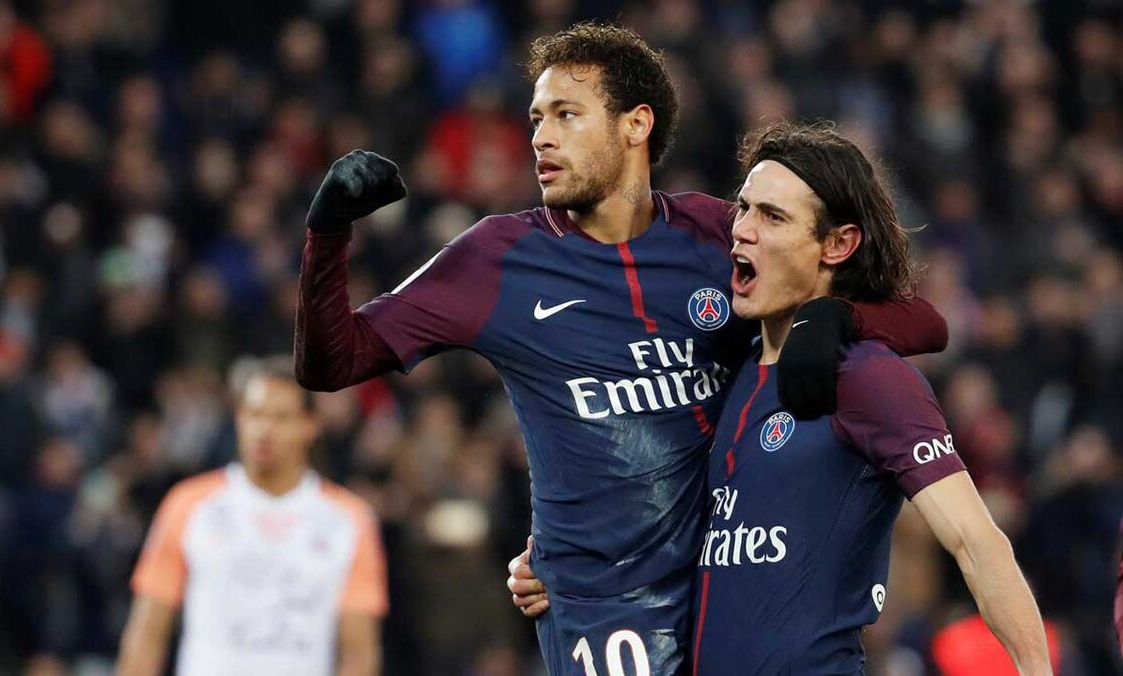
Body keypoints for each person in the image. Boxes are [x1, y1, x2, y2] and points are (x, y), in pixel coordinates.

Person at [295, 23, 947, 675]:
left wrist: (833, 318)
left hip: (722, 588)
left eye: (566, 115)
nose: (540, 137)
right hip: (604, 612)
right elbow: (334, 362)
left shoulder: (715, 234)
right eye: (536, 119)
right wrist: (327, 236)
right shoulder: (496, 258)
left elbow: (923, 322)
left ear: (635, 125)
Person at [515, 121, 1051, 675]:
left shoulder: (868, 377)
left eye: (773, 217)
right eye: (744, 209)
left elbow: (976, 543)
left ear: (838, 244)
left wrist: (1036, 669)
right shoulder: (729, 371)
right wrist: (565, 568)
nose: (742, 230)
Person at [116, 356, 387, 676]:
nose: (264, 430)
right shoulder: (189, 506)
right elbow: (147, 635)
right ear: (239, 419)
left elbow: (358, 654)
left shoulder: (348, 520)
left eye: (280, 417)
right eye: (255, 414)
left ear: (310, 426)